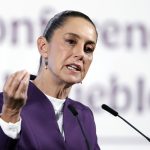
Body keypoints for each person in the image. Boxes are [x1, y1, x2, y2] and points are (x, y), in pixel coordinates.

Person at [0, 10, 100, 150]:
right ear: (43, 47)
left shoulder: (83, 116)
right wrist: (10, 114)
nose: (80, 54)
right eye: (71, 41)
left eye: (88, 49)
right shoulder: (5, 105)